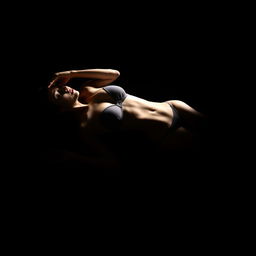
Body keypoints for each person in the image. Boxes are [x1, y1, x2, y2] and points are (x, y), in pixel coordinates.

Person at [40, 68, 209, 175]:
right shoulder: (85, 126)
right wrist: (73, 158)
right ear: (59, 109)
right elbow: (112, 163)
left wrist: (72, 73)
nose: (63, 90)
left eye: (60, 87)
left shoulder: (88, 89)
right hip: (169, 133)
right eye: (57, 95)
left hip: (173, 106)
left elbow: (114, 74)